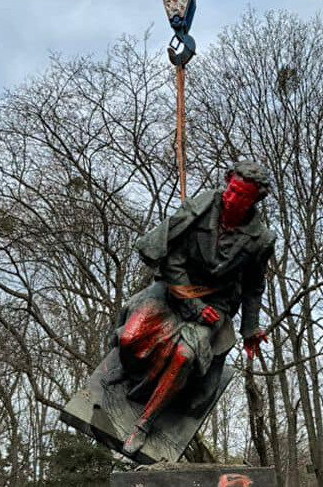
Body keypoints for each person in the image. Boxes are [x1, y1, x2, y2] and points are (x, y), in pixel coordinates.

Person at [110, 160, 276, 455]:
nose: (233, 198)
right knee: (129, 337)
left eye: (242, 195)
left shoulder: (260, 240)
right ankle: (136, 375)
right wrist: (192, 304)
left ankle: (145, 423)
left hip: (215, 306)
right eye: (232, 190)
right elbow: (172, 260)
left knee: (185, 357)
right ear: (227, 182)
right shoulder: (199, 209)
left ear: (254, 200)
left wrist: (250, 327)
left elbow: (253, 286)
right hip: (175, 290)